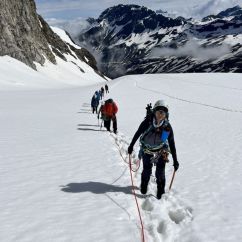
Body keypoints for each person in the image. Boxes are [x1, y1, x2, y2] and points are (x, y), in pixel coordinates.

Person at [127, 100, 179, 199]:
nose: (160, 114)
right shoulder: (147, 122)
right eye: (159, 111)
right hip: (147, 149)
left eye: (163, 112)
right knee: (146, 169)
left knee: (160, 172)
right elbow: (138, 133)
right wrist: (131, 145)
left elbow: (172, 143)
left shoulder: (166, 127)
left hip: (161, 151)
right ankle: (144, 186)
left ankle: (160, 193)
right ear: (154, 112)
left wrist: (175, 160)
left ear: (166, 114)